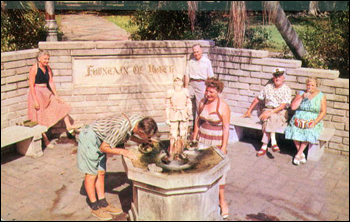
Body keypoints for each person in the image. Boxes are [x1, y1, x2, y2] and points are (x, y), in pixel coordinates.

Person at [77, 113, 158, 220]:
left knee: (101, 173)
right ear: (141, 132)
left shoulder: (139, 121)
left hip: (102, 138)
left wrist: (141, 141)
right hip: (91, 138)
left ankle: (103, 203)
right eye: (147, 136)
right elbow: (103, 148)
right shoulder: (121, 128)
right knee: (92, 174)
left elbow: (130, 134)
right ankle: (95, 207)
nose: (149, 138)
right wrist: (123, 151)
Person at [192, 77, 231, 219]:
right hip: (203, 139)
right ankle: (201, 197)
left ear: (218, 92)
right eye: (207, 91)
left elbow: (226, 128)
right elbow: (198, 120)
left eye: (212, 92)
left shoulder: (223, 106)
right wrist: (195, 135)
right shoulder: (202, 102)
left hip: (216, 141)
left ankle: (222, 201)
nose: (208, 94)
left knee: (219, 172)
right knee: (200, 167)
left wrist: (224, 146)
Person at [28, 50, 78, 149]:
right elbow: (31, 85)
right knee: (40, 118)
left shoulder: (48, 68)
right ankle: (46, 141)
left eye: (48, 59)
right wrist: (35, 100)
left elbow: (51, 82)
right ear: (39, 59)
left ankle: (68, 126)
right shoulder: (34, 68)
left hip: (46, 92)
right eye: (45, 59)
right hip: (37, 93)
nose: (47, 61)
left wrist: (56, 96)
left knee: (62, 106)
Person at [243, 68, 292, 156]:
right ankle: (273, 142)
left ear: (283, 78)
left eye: (279, 76)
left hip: (280, 112)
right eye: (275, 76)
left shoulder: (287, 89)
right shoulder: (268, 87)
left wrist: (271, 112)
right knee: (269, 118)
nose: (277, 79)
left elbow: (283, 105)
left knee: (269, 119)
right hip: (267, 109)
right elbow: (257, 99)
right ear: (273, 78)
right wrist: (249, 110)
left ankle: (265, 146)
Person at [285, 77, 327, 165]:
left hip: (313, 119)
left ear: (316, 85)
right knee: (292, 129)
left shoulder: (321, 95)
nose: (310, 87)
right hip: (298, 118)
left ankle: (298, 154)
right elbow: (293, 107)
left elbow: (323, 112)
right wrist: (301, 97)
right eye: (308, 85)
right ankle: (301, 154)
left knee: (309, 131)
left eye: (312, 85)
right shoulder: (301, 93)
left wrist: (315, 122)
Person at [165, 75, 192, 161]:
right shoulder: (170, 92)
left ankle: (181, 151)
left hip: (183, 113)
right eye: (176, 82)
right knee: (173, 133)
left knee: (183, 132)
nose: (177, 83)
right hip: (174, 113)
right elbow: (167, 105)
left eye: (179, 81)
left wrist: (189, 110)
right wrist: (167, 118)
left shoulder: (185, 91)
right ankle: (172, 152)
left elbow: (188, 102)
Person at [184, 44, 215, 115]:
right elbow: (187, 75)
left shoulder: (207, 62)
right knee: (184, 99)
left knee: (200, 106)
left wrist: (208, 88)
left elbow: (210, 76)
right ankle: (185, 123)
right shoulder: (190, 62)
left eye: (197, 51)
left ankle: (198, 124)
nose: (196, 54)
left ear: (201, 51)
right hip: (191, 84)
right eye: (194, 52)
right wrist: (185, 88)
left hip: (202, 84)